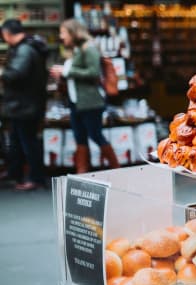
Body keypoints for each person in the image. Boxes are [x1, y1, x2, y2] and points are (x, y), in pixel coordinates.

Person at [50, 19, 120, 173]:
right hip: (77, 102)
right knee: (80, 137)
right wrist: (62, 73)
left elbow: (93, 72)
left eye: (63, 33)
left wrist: (66, 72)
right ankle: (82, 173)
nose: (61, 36)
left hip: (91, 102)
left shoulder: (89, 48)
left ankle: (117, 169)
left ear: (73, 33)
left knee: (95, 135)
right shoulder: (77, 50)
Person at [0, 19, 48, 190]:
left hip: (24, 105)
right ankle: (15, 172)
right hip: (24, 104)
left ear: (7, 33)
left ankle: (36, 178)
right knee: (18, 140)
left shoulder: (24, 50)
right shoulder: (27, 47)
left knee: (27, 141)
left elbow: (16, 74)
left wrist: (3, 73)